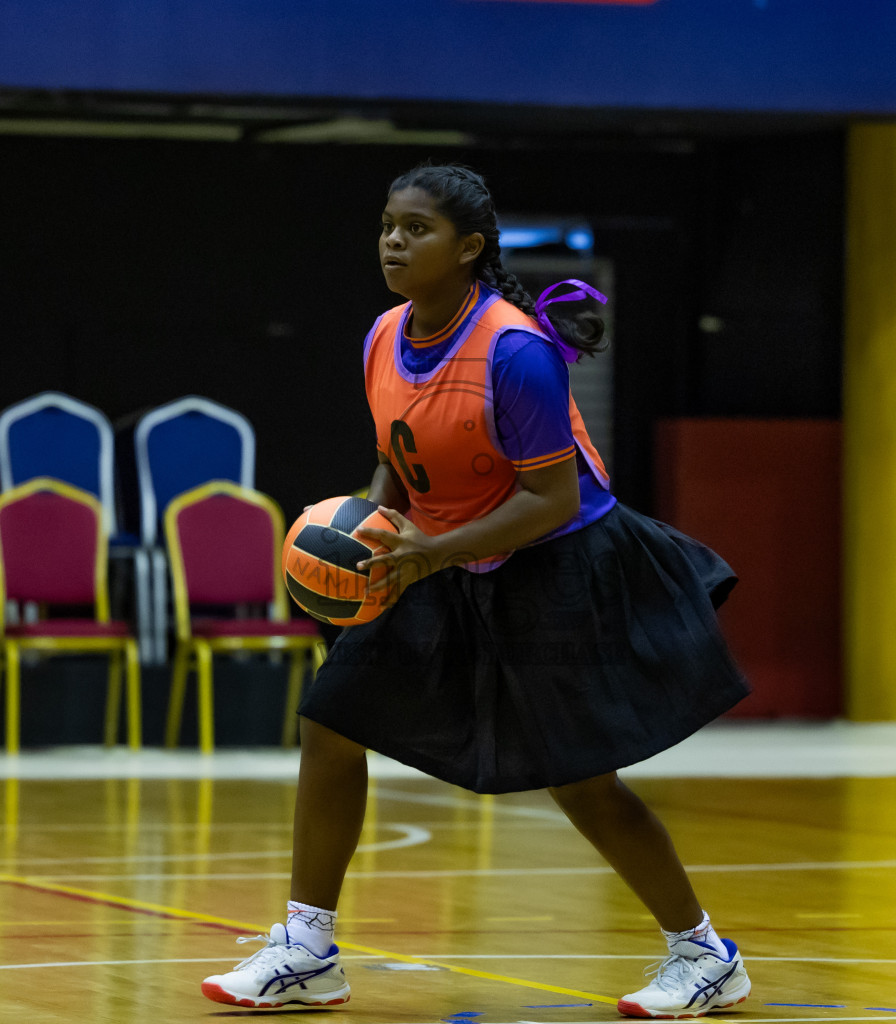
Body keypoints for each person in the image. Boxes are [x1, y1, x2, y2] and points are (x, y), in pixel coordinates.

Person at [200, 163, 753, 1018]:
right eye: (387, 224)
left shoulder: (516, 351)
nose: (393, 240)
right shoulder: (383, 335)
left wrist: (429, 552)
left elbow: (551, 499)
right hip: (431, 551)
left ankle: (704, 953)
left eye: (415, 228)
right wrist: (366, 533)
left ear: (469, 248)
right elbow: (398, 453)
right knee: (331, 723)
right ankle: (307, 947)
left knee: (583, 783)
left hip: (555, 561)